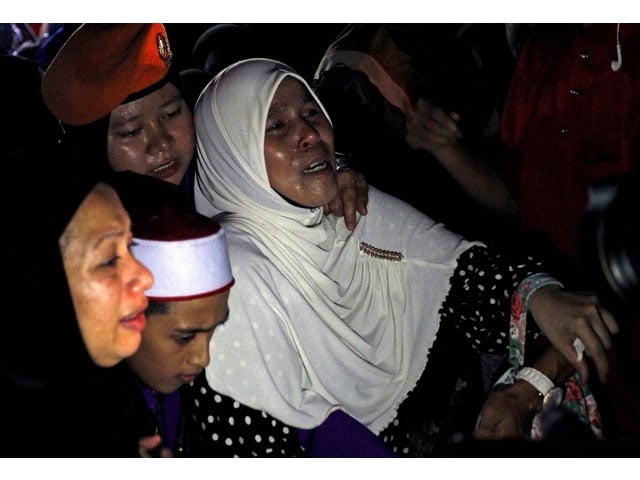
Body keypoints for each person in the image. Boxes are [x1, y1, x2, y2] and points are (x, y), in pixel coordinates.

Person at [191, 58, 620, 456]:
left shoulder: (351, 213)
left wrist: (529, 377)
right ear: (235, 156)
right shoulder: (234, 279)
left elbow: (480, 282)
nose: (308, 134)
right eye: (275, 126)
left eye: (310, 113)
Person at [41, 22, 368, 231]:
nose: (161, 144)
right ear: (90, 151)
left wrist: (335, 168)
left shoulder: (211, 174)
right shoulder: (91, 242)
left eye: (171, 114)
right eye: (130, 132)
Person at [1, 54, 155, 456]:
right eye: (108, 259)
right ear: (32, 288)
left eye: (130, 246)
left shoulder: (108, 407)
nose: (147, 277)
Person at [500, 23, 640, 442]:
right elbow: (514, 200)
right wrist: (446, 151)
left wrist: (534, 381)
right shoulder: (540, 51)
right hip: (573, 361)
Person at [312, 24, 519, 244]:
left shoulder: (492, 37)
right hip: (425, 239)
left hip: (501, 226)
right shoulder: (348, 74)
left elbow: (511, 196)